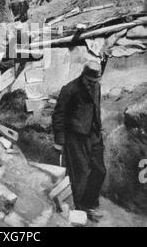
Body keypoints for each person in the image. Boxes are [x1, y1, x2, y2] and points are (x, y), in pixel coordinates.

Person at [52, 62, 106, 222]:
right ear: (83, 76)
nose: (92, 84)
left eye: (95, 81)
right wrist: (60, 141)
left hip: (94, 135)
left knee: (100, 170)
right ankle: (81, 208)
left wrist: (99, 126)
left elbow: (96, 107)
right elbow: (58, 116)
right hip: (75, 137)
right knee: (80, 173)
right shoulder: (70, 89)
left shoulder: (97, 86)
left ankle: (90, 204)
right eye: (89, 81)